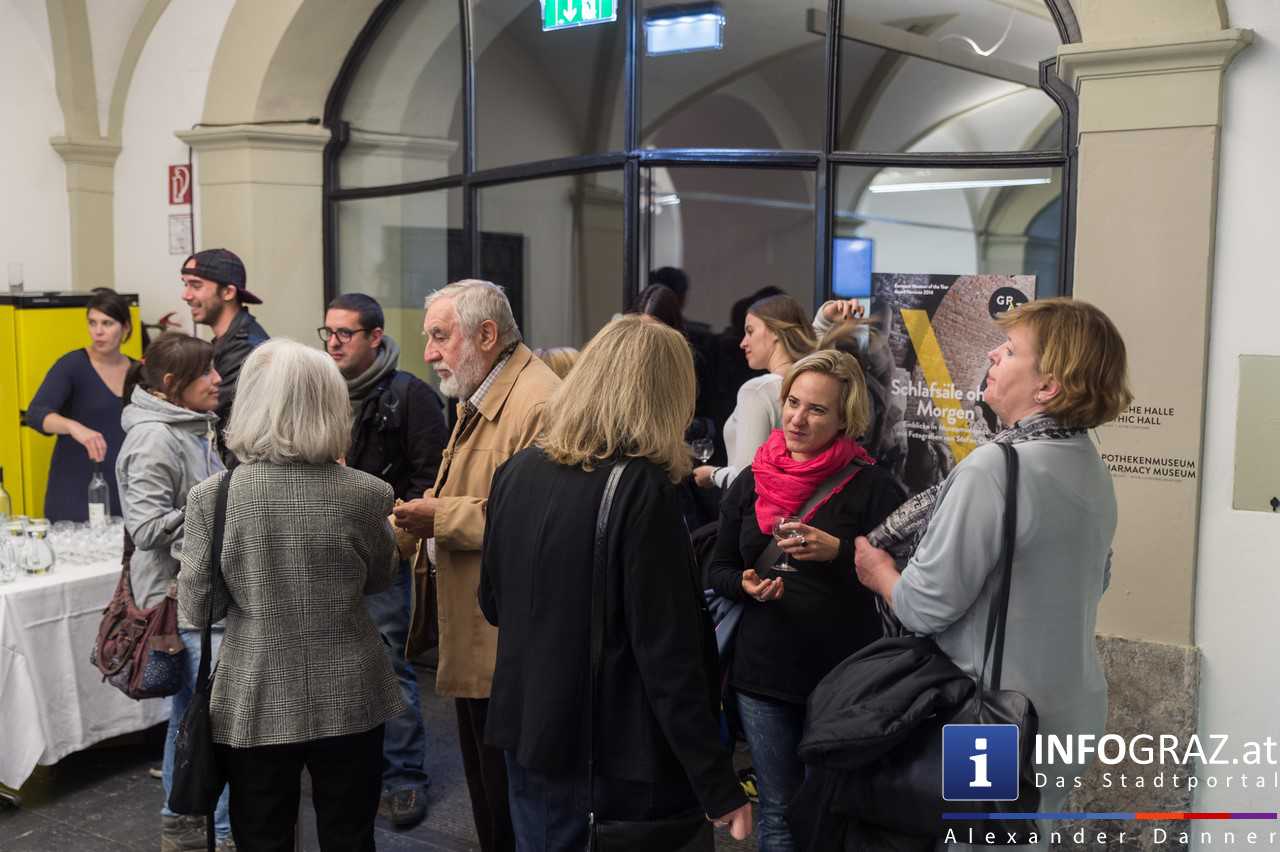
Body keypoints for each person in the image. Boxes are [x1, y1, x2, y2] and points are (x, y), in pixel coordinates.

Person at [853, 298, 1132, 839]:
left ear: (1048, 386)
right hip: (1071, 705)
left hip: (994, 714)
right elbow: (1092, 582)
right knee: (1025, 838)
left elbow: (923, 607)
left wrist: (878, 569)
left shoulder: (995, 469)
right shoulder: (1089, 463)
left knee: (974, 841)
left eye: (1009, 349)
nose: (992, 355)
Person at [479, 315, 752, 850]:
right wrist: (719, 786)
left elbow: (492, 603)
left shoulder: (516, 470)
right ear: (666, 397)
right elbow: (668, 657)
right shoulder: (642, 488)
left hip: (528, 733)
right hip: (610, 760)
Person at [179, 339, 406, 851]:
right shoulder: (367, 493)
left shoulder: (213, 497)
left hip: (255, 688)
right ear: (332, 406)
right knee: (350, 834)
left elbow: (199, 608)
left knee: (261, 834)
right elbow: (380, 579)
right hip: (351, 687)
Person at [706, 349, 905, 852]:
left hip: (844, 678)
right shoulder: (753, 478)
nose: (797, 418)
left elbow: (905, 580)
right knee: (779, 809)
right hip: (763, 675)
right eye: (793, 402)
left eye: (816, 409)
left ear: (844, 419)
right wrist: (744, 584)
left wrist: (839, 552)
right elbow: (718, 567)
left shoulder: (874, 488)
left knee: (836, 810)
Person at [394, 279, 560, 852]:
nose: (429, 353)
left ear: (487, 335)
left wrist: (439, 517)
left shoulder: (538, 401)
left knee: (512, 807)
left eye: (440, 337)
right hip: (480, 635)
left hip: (507, 643)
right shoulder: (487, 393)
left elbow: (543, 519)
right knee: (491, 799)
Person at [321, 292, 448, 829]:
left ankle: (403, 778)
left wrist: (393, 535)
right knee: (328, 666)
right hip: (324, 551)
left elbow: (431, 479)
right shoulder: (320, 390)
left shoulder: (411, 395)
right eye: (327, 332)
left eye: (344, 334)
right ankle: (347, 773)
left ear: (375, 337)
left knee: (387, 664)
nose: (332, 343)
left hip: (381, 552)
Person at [114, 332, 231, 852]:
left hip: (199, 595)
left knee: (192, 716)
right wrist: (217, 503)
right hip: (179, 602)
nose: (217, 380)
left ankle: (181, 826)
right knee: (214, 718)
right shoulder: (154, 439)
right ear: (170, 383)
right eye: (205, 372)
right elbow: (144, 529)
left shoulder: (193, 426)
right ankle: (218, 832)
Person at [26, 288, 135, 521]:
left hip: (126, 490)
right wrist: (73, 427)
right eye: (92, 323)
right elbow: (35, 414)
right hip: (75, 489)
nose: (98, 331)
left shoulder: (138, 372)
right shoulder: (72, 365)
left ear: (125, 327)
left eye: (107, 323)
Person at [694, 294, 816, 491]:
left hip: (757, 507)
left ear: (776, 331)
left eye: (750, 331)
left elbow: (746, 478)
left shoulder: (758, 390)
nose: (743, 342)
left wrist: (712, 474)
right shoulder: (814, 385)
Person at [180, 248, 269, 466]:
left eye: (196, 286)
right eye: (185, 284)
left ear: (228, 292)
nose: (186, 295)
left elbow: (209, 412)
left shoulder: (247, 350)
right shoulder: (226, 343)